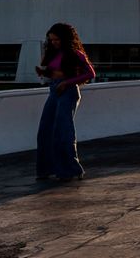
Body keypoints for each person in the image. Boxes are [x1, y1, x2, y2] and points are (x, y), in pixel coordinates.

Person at [36, 22, 94, 181]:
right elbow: (53, 72)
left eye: (57, 40)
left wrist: (66, 82)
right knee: (45, 130)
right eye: (51, 40)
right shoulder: (52, 53)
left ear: (65, 38)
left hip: (68, 92)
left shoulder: (75, 53)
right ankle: (47, 169)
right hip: (54, 91)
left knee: (62, 131)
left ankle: (70, 170)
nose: (54, 42)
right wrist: (44, 73)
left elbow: (90, 74)